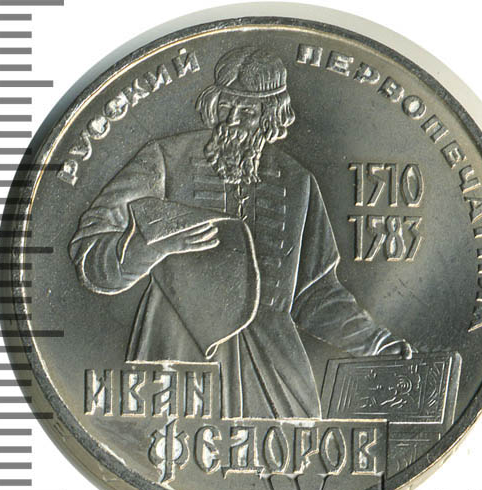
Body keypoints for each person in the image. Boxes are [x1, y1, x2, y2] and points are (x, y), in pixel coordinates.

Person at [69, 47, 412, 420]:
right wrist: (147, 248)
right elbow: (90, 255)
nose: (232, 121)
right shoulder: (164, 159)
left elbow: (316, 294)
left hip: (272, 361)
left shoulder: (297, 181)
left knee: (299, 444)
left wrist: (375, 343)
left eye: (246, 112)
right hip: (178, 352)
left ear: (270, 117)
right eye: (225, 107)